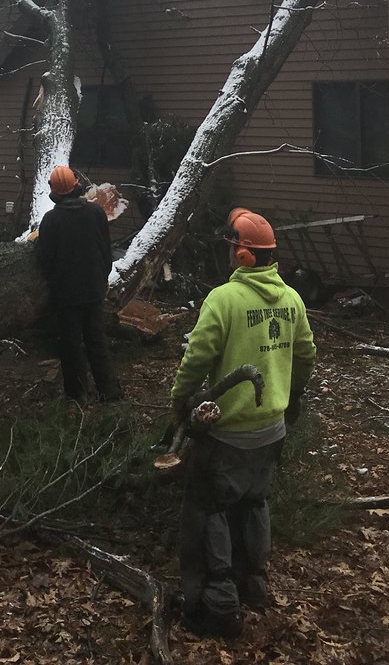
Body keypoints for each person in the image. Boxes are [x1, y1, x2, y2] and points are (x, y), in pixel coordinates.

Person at [170, 207, 316, 639]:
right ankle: (255, 585)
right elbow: (306, 355)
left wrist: (180, 401)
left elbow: (196, 358)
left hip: (228, 435)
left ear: (245, 256)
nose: (231, 253)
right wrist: (291, 397)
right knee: (254, 503)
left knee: (208, 509)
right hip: (271, 431)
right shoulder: (292, 300)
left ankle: (217, 606)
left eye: (234, 247)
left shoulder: (224, 299)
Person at [36, 165, 121, 403]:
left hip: (66, 295)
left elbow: (45, 260)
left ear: (55, 192)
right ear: (76, 186)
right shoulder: (95, 213)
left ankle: (77, 395)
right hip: (93, 289)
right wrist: (102, 278)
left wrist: (54, 283)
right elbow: (106, 251)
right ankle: (108, 391)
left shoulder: (51, 221)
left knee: (71, 345)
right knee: (97, 341)